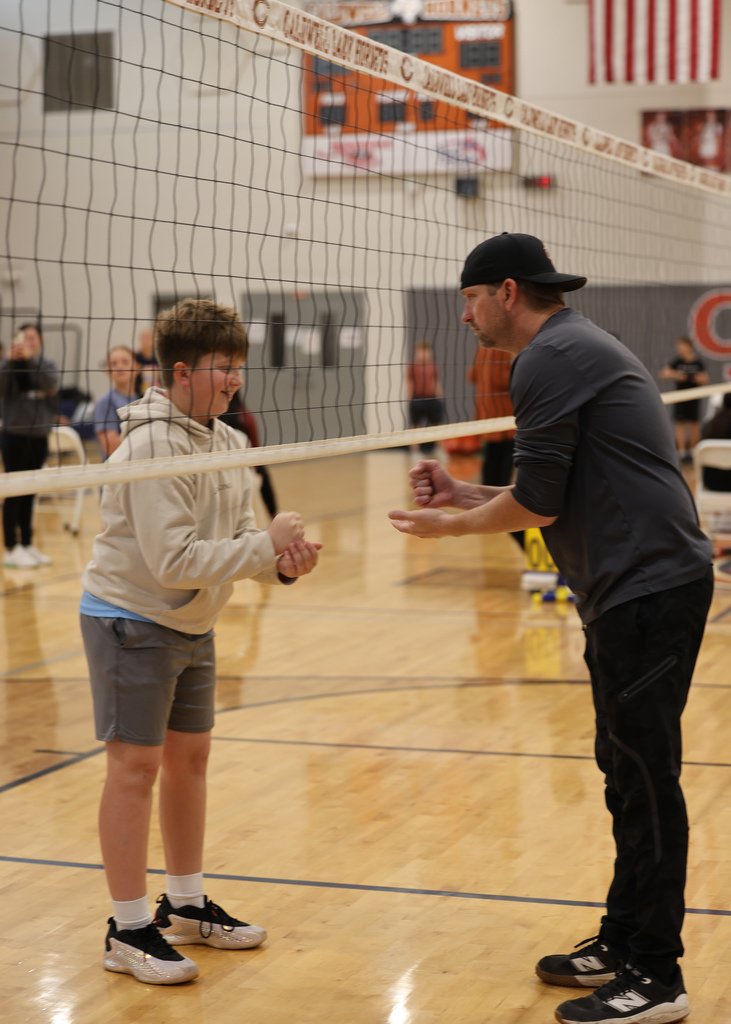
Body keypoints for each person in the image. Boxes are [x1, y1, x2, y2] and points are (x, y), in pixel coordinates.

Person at [388, 232, 713, 1024]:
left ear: (504, 290)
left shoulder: (547, 358)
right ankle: (624, 938)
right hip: (633, 589)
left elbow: (534, 507)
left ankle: (656, 976)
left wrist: (444, 532)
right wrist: (462, 493)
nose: (464, 316)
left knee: (643, 779)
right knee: (620, 770)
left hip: (648, 589)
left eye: (468, 299)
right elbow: (550, 488)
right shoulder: (567, 346)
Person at [79, 298, 322, 986]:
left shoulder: (228, 441)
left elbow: (233, 545)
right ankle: (127, 929)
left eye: (240, 366)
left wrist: (281, 563)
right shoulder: (152, 444)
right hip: (131, 618)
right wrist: (261, 546)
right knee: (136, 768)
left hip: (192, 620)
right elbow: (174, 562)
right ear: (181, 372)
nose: (234, 379)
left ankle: (184, 906)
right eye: (223, 367)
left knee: (191, 761)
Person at [0, 323, 59, 568]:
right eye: (24, 339)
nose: (28, 342)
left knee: (32, 491)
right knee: (15, 492)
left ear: (40, 340)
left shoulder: (45, 364)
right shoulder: (9, 365)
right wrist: (8, 362)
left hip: (40, 434)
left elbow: (51, 384)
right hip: (14, 434)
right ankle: (11, 548)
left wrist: (31, 359)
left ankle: (27, 543)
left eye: (32, 338)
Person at [219, 390, 278, 519]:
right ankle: (273, 514)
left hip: (221, 476)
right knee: (261, 470)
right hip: (244, 473)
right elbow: (257, 456)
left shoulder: (211, 419)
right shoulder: (245, 416)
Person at [659, 337, 709, 463]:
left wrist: (699, 378)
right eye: (678, 347)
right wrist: (676, 375)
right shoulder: (677, 362)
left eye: (682, 346)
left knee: (694, 424)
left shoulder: (697, 363)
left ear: (689, 347)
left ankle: (692, 452)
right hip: (681, 397)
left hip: (694, 397)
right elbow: (663, 374)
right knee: (680, 424)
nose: (679, 349)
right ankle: (681, 454)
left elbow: (705, 378)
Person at [94, 346, 143, 459]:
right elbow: (111, 447)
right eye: (113, 363)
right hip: (118, 468)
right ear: (108, 371)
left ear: (137, 367)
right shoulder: (105, 402)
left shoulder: (145, 398)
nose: (119, 366)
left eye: (125, 362)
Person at [407, 341, 443, 454]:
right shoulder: (412, 365)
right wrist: (409, 398)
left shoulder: (433, 365)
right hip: (417, 398)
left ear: (430, 352)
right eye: (421, 351)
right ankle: (415, 450)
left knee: (438, 424)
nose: (424, 353)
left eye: (426, 351)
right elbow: (409, 382)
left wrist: (440, 397)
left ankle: (440, 448)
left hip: (432, 398)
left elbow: (436, 381)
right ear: (417, 352)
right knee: (415, 425)